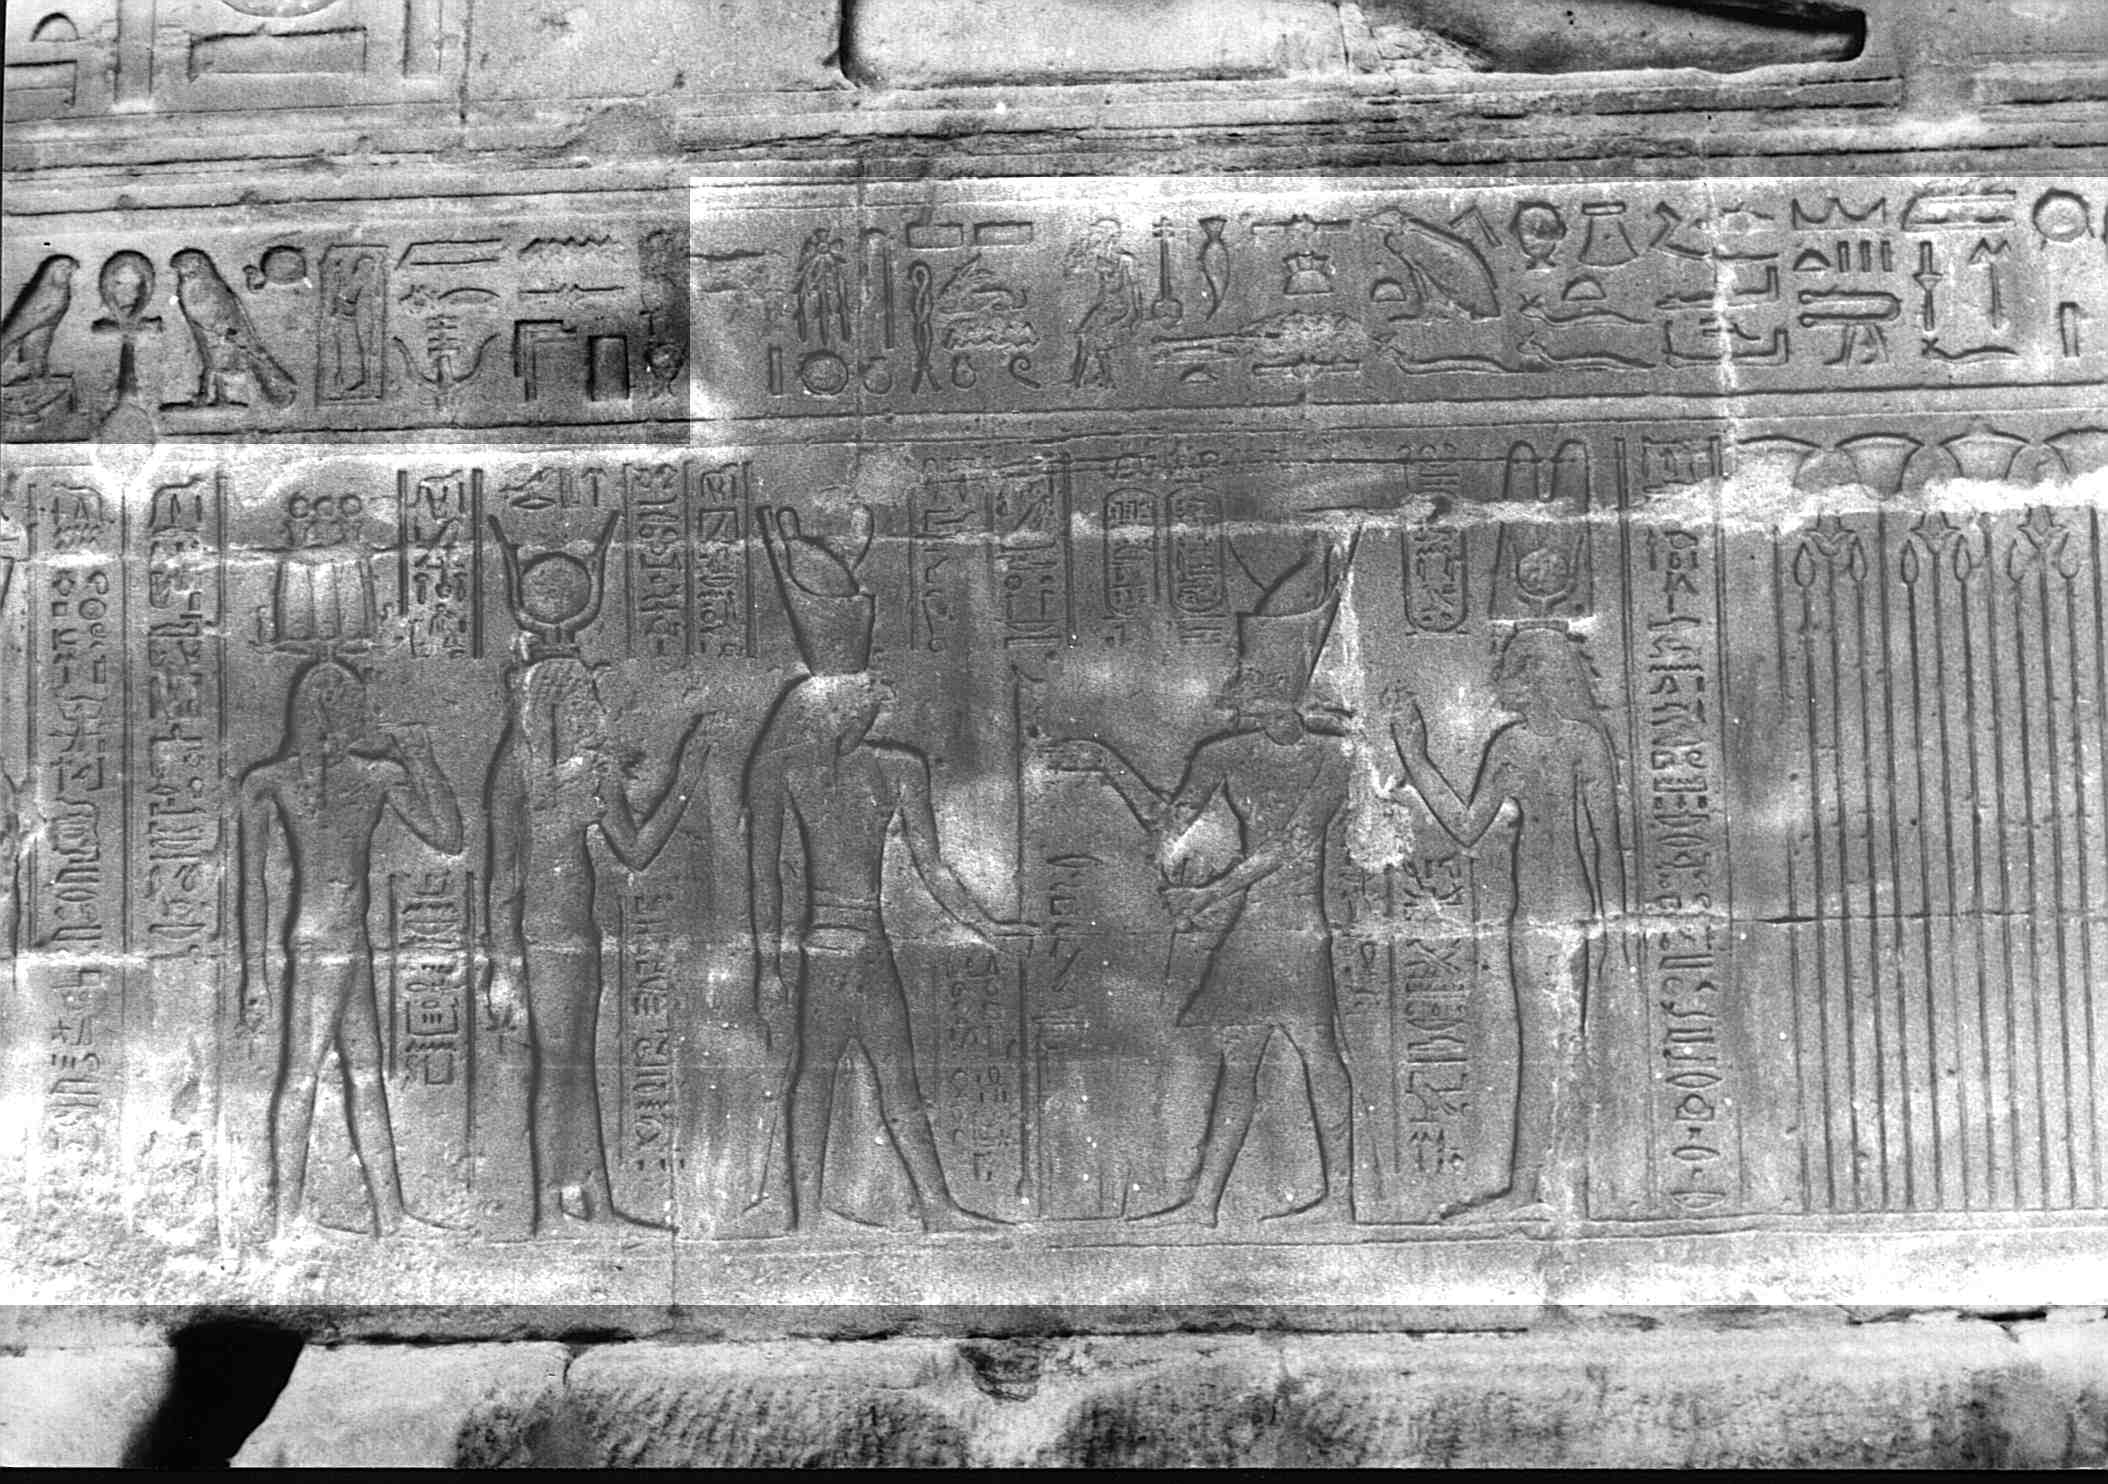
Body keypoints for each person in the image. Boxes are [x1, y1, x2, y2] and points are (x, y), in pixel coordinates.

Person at [1049, 543, 1356, 1227]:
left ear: (1290, 685)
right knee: (1239, 1063)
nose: (1246, 685)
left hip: (1294, 930)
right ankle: (1205, 1205)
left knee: (1316, 1054)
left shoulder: (1334, 758)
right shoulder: (1224, 755)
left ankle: (1341, 1201)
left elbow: (1292, 844)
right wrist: (1106, 763)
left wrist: (1206, 896)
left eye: (1259, 676)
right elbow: (1170, 823)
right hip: (1250, 926)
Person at [748, 507, 1027, 1233]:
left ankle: (841, 1213)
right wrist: (987, 924)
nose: (875, 705)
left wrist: (773, 964)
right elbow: (932, 871)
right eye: (865, 698)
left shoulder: (802, 770)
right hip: (858, 945)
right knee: (871, 1081)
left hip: (830, 945)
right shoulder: (882, 770)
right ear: (840, 710)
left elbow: (771, 878)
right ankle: (896, 1210)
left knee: (828, 1080)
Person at [482, 515, 712, 1233]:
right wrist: (503, 968)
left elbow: (634, 851)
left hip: (575, 934)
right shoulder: (524, 774)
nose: (591, 710)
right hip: (545, 936)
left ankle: (590, 1198)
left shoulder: (576, 771)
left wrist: (684, 778)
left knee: (573, 1066)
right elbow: (502, 878)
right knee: (559, 1068)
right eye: (580, 701)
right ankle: (547, 1209)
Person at [1386, 623, 1624, 1221]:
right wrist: (1415, 758)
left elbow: (1606, 844)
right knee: (1542, 1053)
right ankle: (1532, 1190)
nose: (1501, 681)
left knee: (1563, 1050)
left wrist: (1616, 929)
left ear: (1541, 678)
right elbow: (1467, 828)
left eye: (1514, 669)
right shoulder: (1511, 744)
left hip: (1571, 912)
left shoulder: (1583, 744)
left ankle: (1563, 1192)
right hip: (1531, 917)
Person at [237, 658, 463, 1236]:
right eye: (356, 704)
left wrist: (422, 760)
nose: (367, 713)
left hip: (346, 940)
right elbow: (253, 885)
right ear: (331, 712)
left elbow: (448, 837)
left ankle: (390, 1216)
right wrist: (255, 976)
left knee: (365, 1073)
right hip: (319, 942)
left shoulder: (375, 774)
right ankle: (288, 1219)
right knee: (305, 1074)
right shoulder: (274, 781)